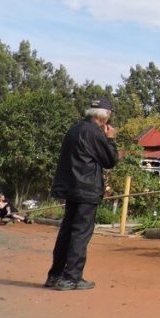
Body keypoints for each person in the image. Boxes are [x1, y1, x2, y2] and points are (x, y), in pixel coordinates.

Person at [45, 97, 119, 290]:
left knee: (67, 231)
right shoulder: (94, 133)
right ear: (105, 116)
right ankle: (72, 277)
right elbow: (110, 160)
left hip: (70, 188)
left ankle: (55, 274)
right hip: (86, 189)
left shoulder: (74, 130)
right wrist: (110, 139)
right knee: (80, 233)